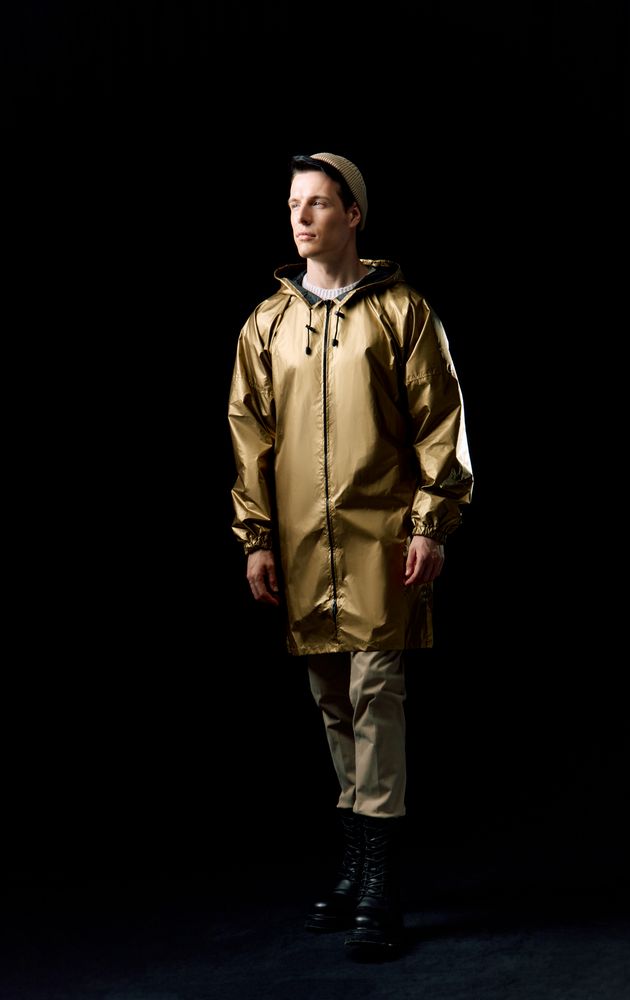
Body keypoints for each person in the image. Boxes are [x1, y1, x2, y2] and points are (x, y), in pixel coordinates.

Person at [228, 152, 473, 957]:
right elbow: (251, 437)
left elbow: (441, 424)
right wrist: (257, 538)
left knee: (377, 691)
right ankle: (356, 862)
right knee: (332, 699)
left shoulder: (403, 312)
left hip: (381, 540)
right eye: (293, 203)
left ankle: (380, 882)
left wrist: (431, 524)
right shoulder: (266, 323)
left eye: (319, 203)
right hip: (303, 544)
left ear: (354, 214)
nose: (301, 217)